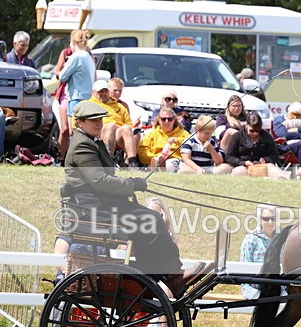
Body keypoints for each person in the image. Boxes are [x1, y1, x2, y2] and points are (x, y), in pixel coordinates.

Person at [62, 100, 205, 296]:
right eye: (92, 120)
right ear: (79, 123)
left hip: (102, 203)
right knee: (152, 220)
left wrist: (130, 183)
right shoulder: (82, 146)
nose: (98, 123)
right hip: (97, 209)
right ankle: (172, 276)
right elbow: (101, 181)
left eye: (100, 119)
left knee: (149, 220)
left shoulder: (90, 141)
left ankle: (156, 277)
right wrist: (132, 184)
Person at [241, 205, 288, 327]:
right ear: (259, 220)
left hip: (277, 284)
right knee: (263, 299)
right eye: (265, 218)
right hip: (253, 285)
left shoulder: (283, 240)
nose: (269, 222)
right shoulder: (251, 239)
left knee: (288, 300)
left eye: (272, 219)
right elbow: (244, 266)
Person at [88, 79, 140, 168]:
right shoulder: (88, 105)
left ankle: (131, 162)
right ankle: (108, 161)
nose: (103, 93)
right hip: (99, 133)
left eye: (105, 91)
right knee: (111, 126)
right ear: (93, 92)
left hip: (118, 134)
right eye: (100, 91)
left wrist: (133, 127)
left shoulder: (120, 106)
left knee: (128, 129)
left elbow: (129, 124)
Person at [225, 113, 290, 178]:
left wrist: (265, 159)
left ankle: (284, 177)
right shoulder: (237, 136)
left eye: (257, 131)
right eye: (252, 131)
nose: (255, 133)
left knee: (271, 168)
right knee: (239, 171)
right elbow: (229, 157)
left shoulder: (266, 136)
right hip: (242, 166)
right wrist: (243, 163)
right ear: (246, 125)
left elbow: (274, 155)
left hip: (262, 166)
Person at [56, 29, 94, 122]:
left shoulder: (76, 57)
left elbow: (62, 77)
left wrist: (65, 67)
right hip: (88, 98)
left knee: (74, 131)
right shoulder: (88, 56)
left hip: (76, 99)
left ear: (73, 42)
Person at [137, 107, 190, 171]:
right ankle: (158, 165)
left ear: (174, 120)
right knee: (157, 162)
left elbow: (191, 146)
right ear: (159, 120)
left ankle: (160, 167)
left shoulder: (184, 134)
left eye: (170, 119)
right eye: (163, 119)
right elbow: (142, 150)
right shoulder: (152, 134)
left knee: (171, 165)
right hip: (156, 159)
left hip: (176, 161)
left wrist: (178, 140)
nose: (166, 121)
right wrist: (153, 157)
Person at [272, 102, 301, 167]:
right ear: (289, 112)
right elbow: (283, 135)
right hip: (284, 146)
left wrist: (298, 129)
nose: (295, 117)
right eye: (293, 114)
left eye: (298, 115)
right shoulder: (279, 120)